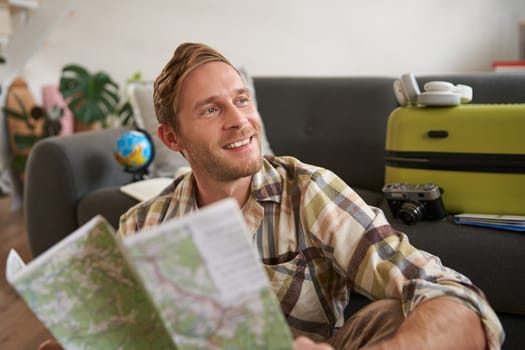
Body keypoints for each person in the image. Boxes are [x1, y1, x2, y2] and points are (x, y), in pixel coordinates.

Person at [41, 43, 504, 350]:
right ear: (172, 137)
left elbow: (455, 296)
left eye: (242, 100)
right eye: (211, 109)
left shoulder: (309, 190)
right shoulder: (141, 225)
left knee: (392, 314)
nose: (240, 121)